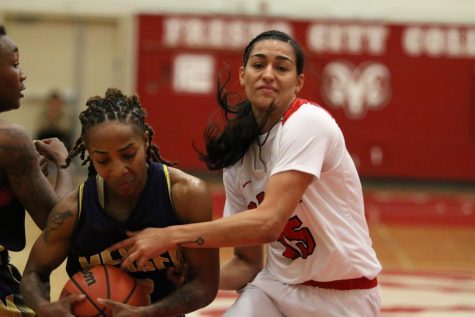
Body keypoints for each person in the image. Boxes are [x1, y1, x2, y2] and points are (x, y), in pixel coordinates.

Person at [111, 30, 382, 316]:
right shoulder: (239, 155)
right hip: (275, 289)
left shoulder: (308, 123)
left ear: (298, 82)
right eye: (258, 64)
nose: (268, 74)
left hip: (345, 295)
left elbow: (268, 223)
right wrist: (188, 281)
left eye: (281, 67)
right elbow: (247, 263)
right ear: (243, 75)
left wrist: (170, 236)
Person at [20, 88, 219, 317]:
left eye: (128, 154)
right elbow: (33, 273)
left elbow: (205, 284)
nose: (118, 170)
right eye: (103, 160)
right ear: (91, 156)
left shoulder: (185, 195)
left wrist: (147, 313)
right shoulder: (73, 209)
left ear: (145, 141)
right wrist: (44, 307)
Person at [0, 25, 74, 316]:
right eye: (15, 64)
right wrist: (63, 164)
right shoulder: (11, 140)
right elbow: (57, 222)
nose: (23, 74)